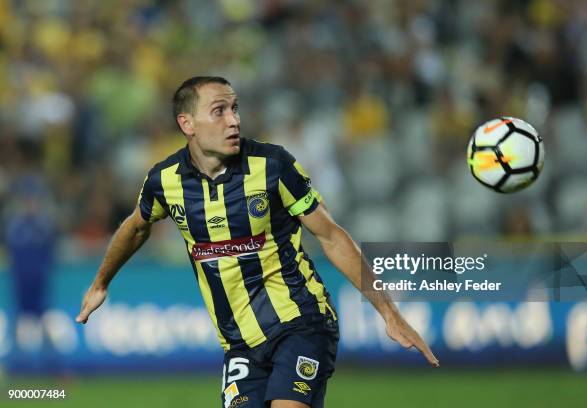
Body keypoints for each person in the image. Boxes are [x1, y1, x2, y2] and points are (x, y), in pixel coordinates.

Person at [76, 76, 438, 408]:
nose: (233, 120)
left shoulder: (273, 165)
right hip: (240, 345)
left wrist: (388, 312)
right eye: (219, 111)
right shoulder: (164, 180)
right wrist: (100, 282)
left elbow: (331, 236)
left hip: (301, 322)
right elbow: (136, 226)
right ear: (187, 124)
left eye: (235, 109)